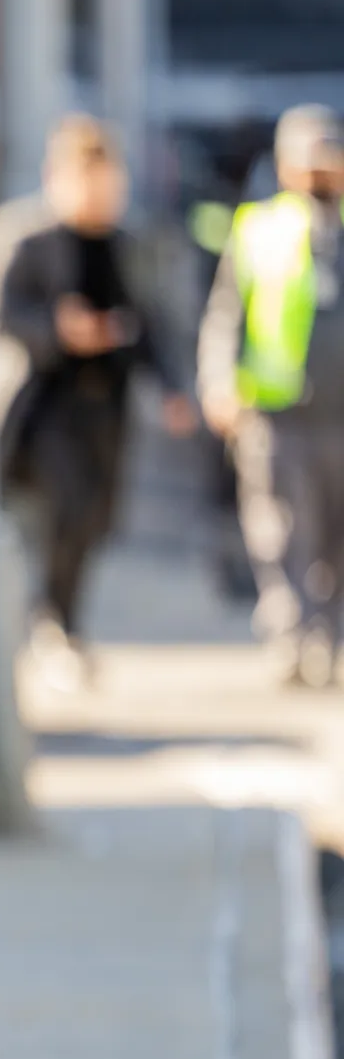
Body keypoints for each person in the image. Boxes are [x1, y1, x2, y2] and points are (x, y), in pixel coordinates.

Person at [0, 115, 195, 669]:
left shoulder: (127, 245)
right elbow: (4, 316)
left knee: (95, 519)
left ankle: (61, 618)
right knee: (63, 507)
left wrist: (175, 389)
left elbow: (149, 321)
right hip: (47, 406)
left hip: (107, 405)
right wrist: (59, 331)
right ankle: (51, 624)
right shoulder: (28, 241)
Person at [198, 104, 344, 683]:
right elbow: (224, 315)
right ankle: (291, 636)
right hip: (280, 413)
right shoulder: (259, 229)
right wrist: (218, 381)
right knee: (282, 531)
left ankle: (330, 637)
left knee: (336, 536)